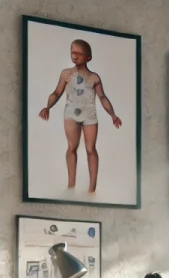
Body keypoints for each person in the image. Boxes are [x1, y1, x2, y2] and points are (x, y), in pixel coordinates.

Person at [39, 39, 122, 194]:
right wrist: (48, 106)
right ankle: (71, 186)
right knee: (72, 147)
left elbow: (102, 97)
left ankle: (92, 188)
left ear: (88, 57)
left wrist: (113, 115)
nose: (75, 56)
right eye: (73, 53)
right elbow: (57, 92)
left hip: (89, 115)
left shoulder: (94, 78)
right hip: (71, 113)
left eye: (79, 54)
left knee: (90, 148)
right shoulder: (66, 74)